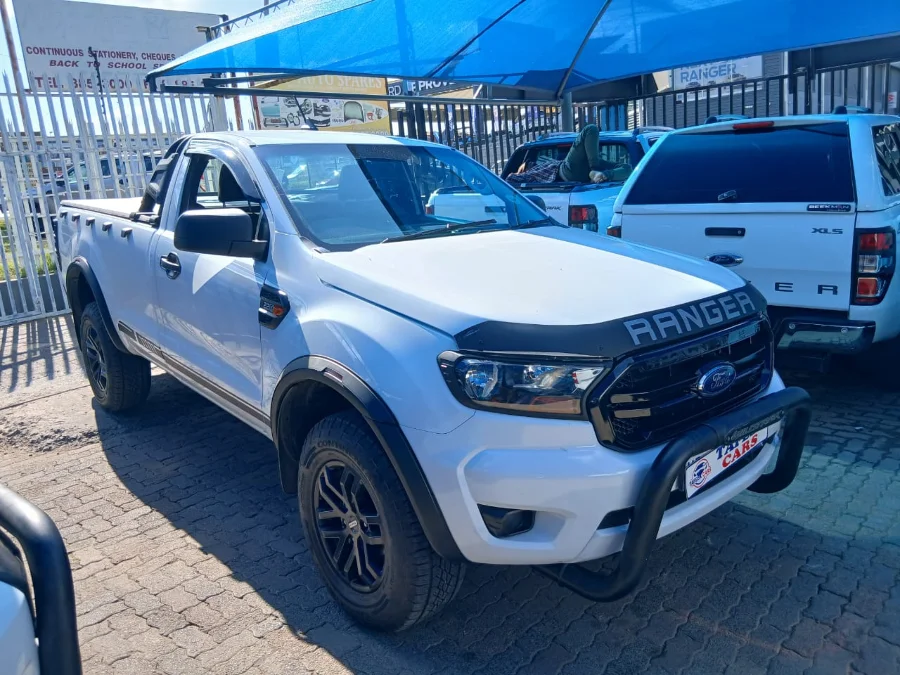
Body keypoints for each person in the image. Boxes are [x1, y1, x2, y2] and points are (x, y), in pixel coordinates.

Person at [558, 124, 631, 184]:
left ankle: (599, 174)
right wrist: (597, 169)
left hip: (569, 172)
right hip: (569, 171)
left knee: (628, 169)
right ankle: (597, 173)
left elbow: (629, 169)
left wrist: (604, 173)